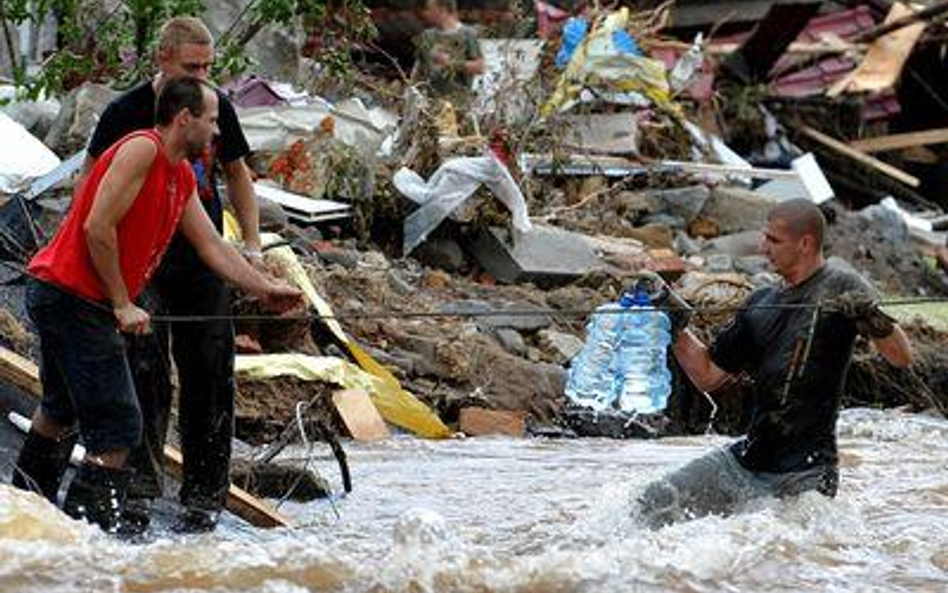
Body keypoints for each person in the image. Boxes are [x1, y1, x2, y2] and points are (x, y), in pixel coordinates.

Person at [10, 77, 302, 534]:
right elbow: (97, 227)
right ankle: (86, 543)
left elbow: (211, 247)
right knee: (121, 425)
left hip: (74, 298)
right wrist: (124, 303)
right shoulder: (141, 149)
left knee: (60, 411)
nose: (218, 132)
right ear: (184, 119)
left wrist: (264, 287)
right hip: (70, 297)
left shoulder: (181, 174)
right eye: (211, 121)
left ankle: (25, 521)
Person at [82, 16, 264, 533]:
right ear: (162, 60)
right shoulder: (126, 112)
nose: (203, 76)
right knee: (147, 372)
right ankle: (139, 488)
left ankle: (205, 496)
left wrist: (250, 246)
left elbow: (236, 173)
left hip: (201, 254)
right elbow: (90, 183)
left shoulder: (215, 105)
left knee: (211, 371)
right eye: (192, 66)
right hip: (145, 259)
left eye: (209, 66)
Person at [637, 198, 913, 528]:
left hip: (807, 474)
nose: (762, 247)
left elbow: (901, 357)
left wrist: (873, 318)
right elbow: (707, 375)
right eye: (764, 236)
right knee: (650, 504)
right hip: (745, 464)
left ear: (806, 243)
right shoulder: (760, 303)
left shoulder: (842, 285)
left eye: (773, 240)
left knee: (775, 551)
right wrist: (674, 318)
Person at [411, 0, 485, 104]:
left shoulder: (467, 34)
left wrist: (451, 63)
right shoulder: (427, 35)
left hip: (458, 103)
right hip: (431, 103)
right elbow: (418, 68)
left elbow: (479, 67)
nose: (426, 13)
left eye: (430, 9)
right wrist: (411, 93)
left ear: (443, 9)